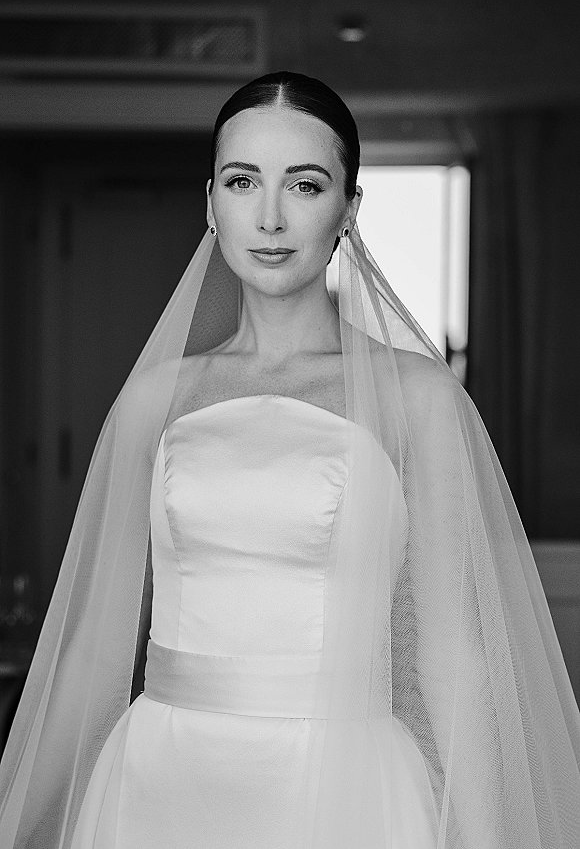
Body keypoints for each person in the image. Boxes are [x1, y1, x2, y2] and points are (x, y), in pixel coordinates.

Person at [0, 71, 579, 849]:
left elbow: (450, 657)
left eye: (305, 185)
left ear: (349, 209)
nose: (269, 217)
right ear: (211, 202)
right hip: (162, 786)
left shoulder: (419, 399)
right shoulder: (155, 401)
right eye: (244, 182)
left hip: (347, 792)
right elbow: (97, 651)